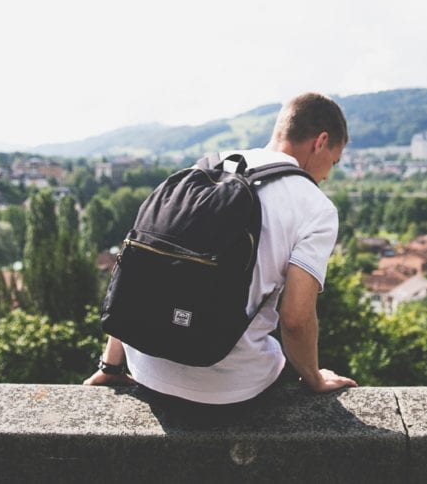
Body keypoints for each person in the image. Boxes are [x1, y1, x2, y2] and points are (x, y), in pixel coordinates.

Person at [83, 92, 358, 407]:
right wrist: (316, 379)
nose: (326, 175)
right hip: (230, 390)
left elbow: (146, 266)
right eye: (332, 163)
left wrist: (111, 366)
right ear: (321, 141)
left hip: (145, 368)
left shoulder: (203, 169)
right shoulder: (315, 207)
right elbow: (295, 318)